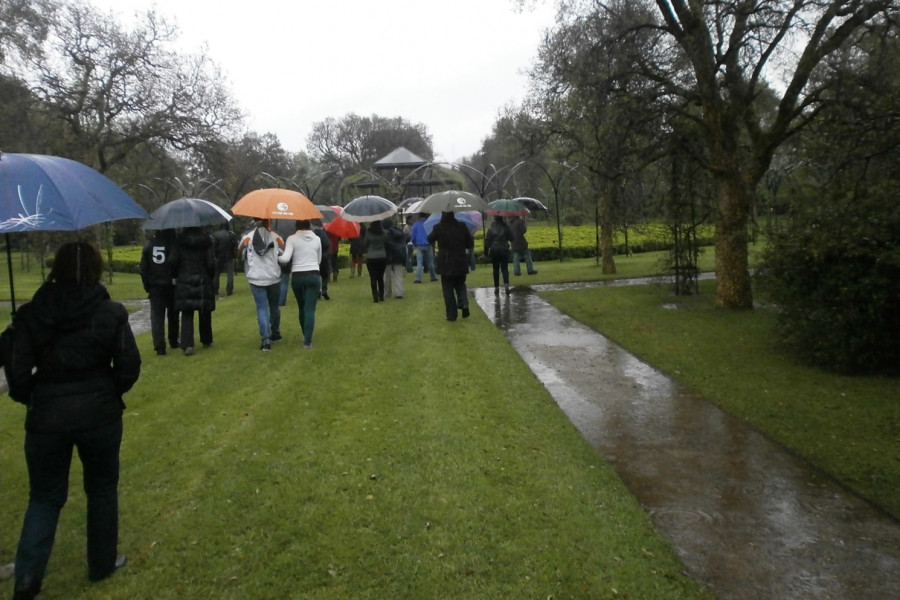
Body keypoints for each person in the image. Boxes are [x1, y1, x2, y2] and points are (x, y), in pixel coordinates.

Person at [4, 241, 141, 599]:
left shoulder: (39, 314)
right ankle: (100, 562)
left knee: (46, 496)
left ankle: (29, 576)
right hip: (94, 413)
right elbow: (128, 365)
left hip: (54, 411)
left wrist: (34, 394)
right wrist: (109, 392)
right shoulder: (99, 312)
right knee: (98, 488)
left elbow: (17, 373)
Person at [237, 219, 285, 352]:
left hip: (256, 277)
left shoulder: (248, 237)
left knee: (262, 308)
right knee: (274, 307)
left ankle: (265, 340)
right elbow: (282, 252)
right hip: (273, 276)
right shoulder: (276, 237)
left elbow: (239, 253)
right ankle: (275, 333)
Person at [171, 226, 216, 356]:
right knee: (204, 311)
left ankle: (187, 344)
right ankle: (206, 339)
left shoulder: (179, 242)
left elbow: (173, 261)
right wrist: (210, 276)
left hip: (184, 278)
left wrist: (176, 275)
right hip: (203, 278)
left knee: (187, 312)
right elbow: (211, 263)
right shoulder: (206, 242)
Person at [278, 220, 322, 349]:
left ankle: (305, 333)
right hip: (313, 274)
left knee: (302, 307)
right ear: (310, 226)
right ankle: (307, 341)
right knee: (310, 309)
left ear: (296, 226)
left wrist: (277, 254)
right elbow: (318, 260)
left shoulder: (292, 239)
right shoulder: (317, 239)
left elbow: (285, 259)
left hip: (298, 276)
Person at [427, 211, 474, 321]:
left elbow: (429, 239)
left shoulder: (438, 227)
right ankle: (464, 303)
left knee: (447, 289)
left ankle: (451, 314)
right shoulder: (462, 226)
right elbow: (469, 243)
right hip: (461, 261)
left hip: (446, 262)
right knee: (460, 284)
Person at [139, 229, 179, 355]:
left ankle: (159, 346)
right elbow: (175, 263)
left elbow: (143, 268)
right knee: (173, 315)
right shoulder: (172, 244)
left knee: (157, 317)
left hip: (155, 286)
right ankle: (173, 340)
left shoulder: (149, 245)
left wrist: (147, 286)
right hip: (170, 285)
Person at [485, 215, 514, 296]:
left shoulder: (491, 228)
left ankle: (496, 287)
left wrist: (486, 253)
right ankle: (506, 285)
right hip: (504, 249)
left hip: (494, 250)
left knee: (495, 269)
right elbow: (512, 238)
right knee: (504, 268)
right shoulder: (506, 227)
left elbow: (487, 241)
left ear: (494, 218)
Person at [383, 217, 409, 299]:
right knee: (398, 275)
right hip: (399, 255)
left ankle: (387, 293)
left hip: (388, 256)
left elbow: (384, 244)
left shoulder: (385, 233)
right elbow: (407, 238)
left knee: (386, 276)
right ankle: (399, 293)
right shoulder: (399, 231)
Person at [363, 219, 388, 302]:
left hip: (371, 257)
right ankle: (381, 295)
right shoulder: (384, 233)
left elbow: (365, 244)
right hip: (382, 256)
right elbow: (386, 243)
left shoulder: (368, 233)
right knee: (380, 277)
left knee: (373, 278)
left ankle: (375, 296)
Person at [211, 225, 238, 297]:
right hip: (229, 257)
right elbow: (235, 246)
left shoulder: (215, 235)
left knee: (216, 274)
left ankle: (215, 290)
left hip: (218, 257)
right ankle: (229, 290)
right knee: (230, 275)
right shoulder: (232, 235)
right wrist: (235, 255)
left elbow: (213, 247)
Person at [410, 212, 437, 283]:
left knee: (419, 262)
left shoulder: (416, 225)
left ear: (419, 216)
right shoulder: (429, 224)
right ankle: (433, 277)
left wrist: (415, 243)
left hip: (419, 245)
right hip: (428, 244)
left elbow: (413, 237)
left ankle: (418, 278)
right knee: (430, 262)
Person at [312, 221, 332, 300]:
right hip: (323, 256)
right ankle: (324, 289)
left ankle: (317, 291)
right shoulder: (323, 233)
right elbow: (327, 244)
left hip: (313, 256)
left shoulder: (311, 233)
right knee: (325, 274)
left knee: (316, 274)